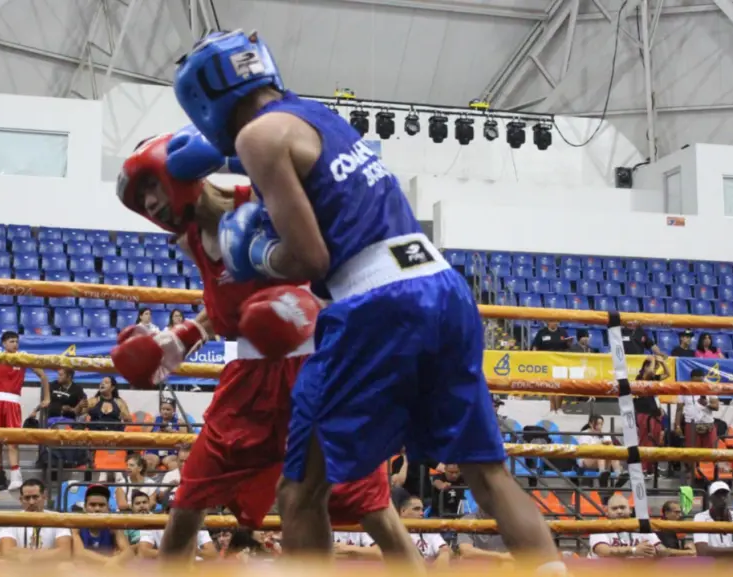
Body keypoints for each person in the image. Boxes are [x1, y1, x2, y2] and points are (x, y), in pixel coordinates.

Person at [172, 29, 565, 572]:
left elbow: (309, 257)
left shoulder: (255, 139)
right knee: (487, 473)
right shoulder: (315, 116)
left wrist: (254, 254)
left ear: (202, 100)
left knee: (300, 493)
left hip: (376, 303)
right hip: (443, 287)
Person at [111, 128, 415, 564]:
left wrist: (308, 304)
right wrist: (180, 340)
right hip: (248, 382)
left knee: (371, 506)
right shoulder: (192, 238)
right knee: (188, 502)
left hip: (316, 366)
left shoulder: (254, 196)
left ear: (176, 171)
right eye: (142, 201)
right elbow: (228, 309)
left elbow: (330, 255)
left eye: (151, 187)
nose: (151, 205)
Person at [0, 331, 50, 490]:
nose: (15, 344)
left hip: (13, 403)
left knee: (13, 441)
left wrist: (47, 398)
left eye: (16, 341)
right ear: (4, 344)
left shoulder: (24, 358)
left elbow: (44, 376)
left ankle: (16, 476)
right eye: (12, 341)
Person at [587, 493, 665, 558]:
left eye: (622, 507)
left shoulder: (641, 526)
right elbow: (603, 551)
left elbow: (661, 549)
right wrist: (634, 550)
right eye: (614, 509)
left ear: (630, 510)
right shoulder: (600, 527)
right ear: (607, 511)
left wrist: (655, 550)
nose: (619, 511)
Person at [692, 481, 733, 557]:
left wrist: (717, 552)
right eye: (718, 494)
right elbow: (702, 551)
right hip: (712, 566)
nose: (722, 497)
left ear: (729, 497)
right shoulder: (700, 518)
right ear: (710, 499)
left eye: (725, 494)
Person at [73, 485, 133, 564]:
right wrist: (110, 561)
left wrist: (113, 561)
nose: (97, 509)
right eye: (92, 505)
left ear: (108, 508)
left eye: (101, 505)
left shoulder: (113, 526)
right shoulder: (77, 525)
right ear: (84, 507)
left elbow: (129, 553)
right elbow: (79, 553)